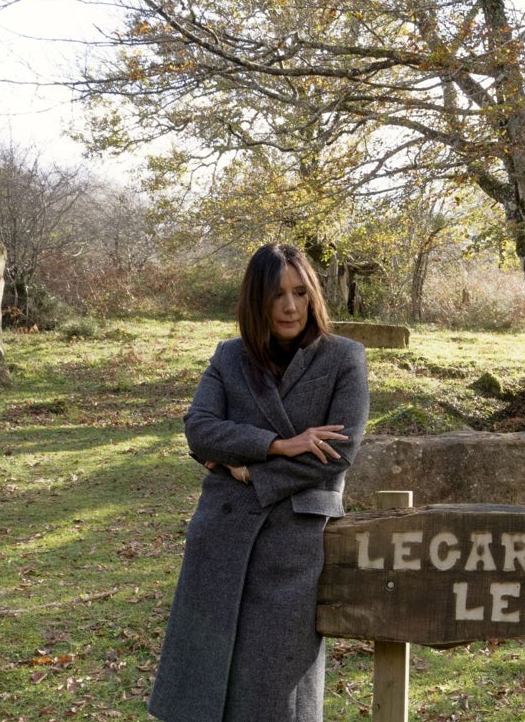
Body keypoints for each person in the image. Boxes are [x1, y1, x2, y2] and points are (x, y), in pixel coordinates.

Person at [148, 243, 369, 722]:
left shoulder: (344, 358)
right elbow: (199, 430)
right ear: (256, 301)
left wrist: (247, 469)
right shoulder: (230, 357)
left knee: (277, 692)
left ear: (313, 297)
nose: (290, 307)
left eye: (299, 293)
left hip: (294, 542)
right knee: (209, 684)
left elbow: (337, 454)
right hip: (221, 537)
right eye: (276, 295)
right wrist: (277, 444)